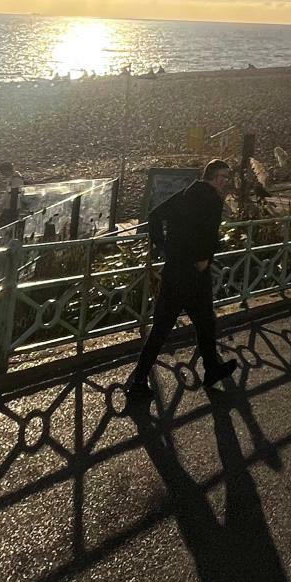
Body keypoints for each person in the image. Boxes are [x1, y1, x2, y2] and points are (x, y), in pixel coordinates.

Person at [126, 159, 239, 401]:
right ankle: (207, 370)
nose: (225, 181)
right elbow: (208, 233)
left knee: (184, 324)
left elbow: (155, 215)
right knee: (199, 323)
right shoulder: (212, 200)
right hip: (194, 274)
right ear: (213, 177)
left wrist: (165, 248)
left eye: (227, 177)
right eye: (222, 176)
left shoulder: (186, 193)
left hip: (175, 271)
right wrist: (203, 258)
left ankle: (207, 369)